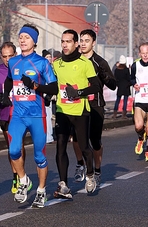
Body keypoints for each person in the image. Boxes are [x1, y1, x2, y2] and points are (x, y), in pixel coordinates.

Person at [0, 24, 58, 208]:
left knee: (39, 157)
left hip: (37, 116)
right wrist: (5, 94)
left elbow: (54, 87)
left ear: (34, 41)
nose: (22, 40)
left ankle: (41, 191)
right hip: (18, 115)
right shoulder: (14, 62)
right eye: (21, 37)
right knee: (13, 151)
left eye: (26, 37)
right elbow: (9, 80)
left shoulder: (42, 63)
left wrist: (35, 86)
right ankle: (24, 180)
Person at [52, 29, 100, 198]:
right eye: (63, 41)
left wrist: (78, 93)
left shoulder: (85, 63)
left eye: (68, 42)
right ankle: (63, 184)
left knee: (84, 145)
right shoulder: (56, 64)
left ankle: (90, 175)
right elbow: (52, 85)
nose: (65, 45)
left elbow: (96, 86)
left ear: (76, 44)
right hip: (62, 110)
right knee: (60, 146)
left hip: (81, 111)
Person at [71, 29, 116, 187]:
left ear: (93, 43)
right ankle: (79, 164)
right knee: (75, 137)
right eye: (81, 40)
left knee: (95, 141)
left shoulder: (100, 62)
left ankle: (97, 170)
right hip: (77, 104)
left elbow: (113, 85)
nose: (83, 43)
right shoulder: (74, 59)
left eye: (86, 40)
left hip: (95, 105)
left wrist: (104, 76)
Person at [0, 41, 26, 194]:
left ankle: (22, 176)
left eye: (10, 56)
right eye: (5, 56)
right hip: (5, 114)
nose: (8, 59)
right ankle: (16, 176)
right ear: (1, 57)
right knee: (12, 148)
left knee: (19, 145)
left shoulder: (24, 67)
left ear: (15, 55)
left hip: (22, 113)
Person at [41, 49, 55, 144]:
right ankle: (45, 136)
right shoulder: (42, 67)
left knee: (49, 116)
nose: (49, 59)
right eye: (47, 57)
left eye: (50, 57)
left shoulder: (52, 68)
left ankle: (49, 136)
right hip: (42, 95)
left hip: (49, 96)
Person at [113, 55, 131, 119]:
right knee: (125, 100)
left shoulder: (117, 70)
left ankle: (114, 114)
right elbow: (129, 78)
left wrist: (117, 84)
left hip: (120, 86)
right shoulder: (126, 70)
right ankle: (124, 114)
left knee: (118, 100)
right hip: (126, 87)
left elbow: (115, 78)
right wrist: (129, 84)